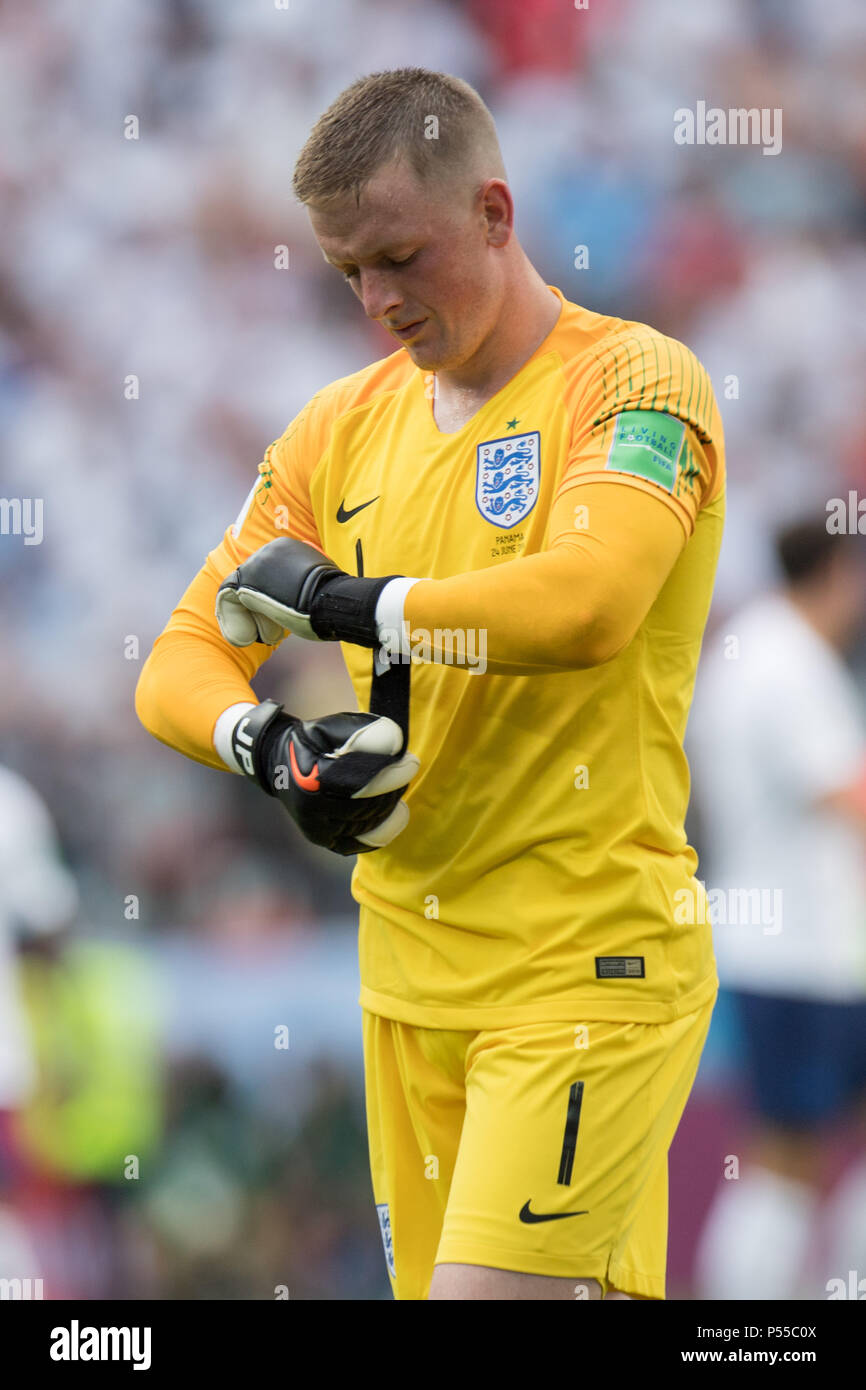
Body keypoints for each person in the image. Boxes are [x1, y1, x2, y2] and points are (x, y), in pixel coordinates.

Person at [136, 67, 726, 1301]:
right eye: (348, 272)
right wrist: (268, 748)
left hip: (583, 967)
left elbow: (587, 604)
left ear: (497, 214)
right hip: (404, 976)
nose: (377, 301)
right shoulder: (334, 431)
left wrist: (362, 608)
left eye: (400, 257)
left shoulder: (635, 384)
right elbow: (179, 658)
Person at [689, 519, 866, 1300]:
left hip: (786, 946)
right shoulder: (788, 664)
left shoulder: (754, 650)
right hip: (808, 953)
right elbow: (848, 795)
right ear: (839, 570)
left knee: (787, 1153)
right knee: (785, 1156)